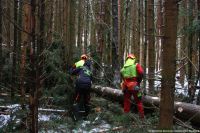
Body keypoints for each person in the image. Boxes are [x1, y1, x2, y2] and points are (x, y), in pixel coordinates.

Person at [120, 54, 144, 119]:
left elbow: (122, 75)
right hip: (135, 86)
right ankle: (141, 117)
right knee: (139, 101)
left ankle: (126, 116)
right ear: (133, 59)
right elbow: (141, 73)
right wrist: (138, 82)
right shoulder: (136, 65)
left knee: (126, 101)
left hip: (126, 87)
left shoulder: (123, 68)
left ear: (127, 60)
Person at [70, 55, 92, 120]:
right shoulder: (90, 71)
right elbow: (91, 80)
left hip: (80, 84)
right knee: (87, 100)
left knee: (77, 100)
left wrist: (71, 68)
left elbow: (72, 72)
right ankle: (86, 116)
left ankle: (76, 117)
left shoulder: (81, 67)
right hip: (88, 85)